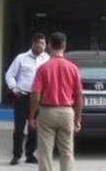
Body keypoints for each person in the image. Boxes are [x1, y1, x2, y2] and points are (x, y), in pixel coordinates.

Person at [29, 32, 83, 171]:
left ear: (49, 46)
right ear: (64, 46)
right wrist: (77, 118)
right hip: (66, 112)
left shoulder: (43, 68)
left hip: (47, 112)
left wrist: (32, 116)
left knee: (45, 152)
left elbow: (35, 94)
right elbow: (79, 96)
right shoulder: (73, 69)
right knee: (67, 152)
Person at [5, 32, 49, 165]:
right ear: (34, 43)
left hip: (38, 98)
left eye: (44, 43)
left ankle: (30, 154)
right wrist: (14, 89)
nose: (43, 46)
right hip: (22, 97)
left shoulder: (47, 58)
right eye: (40, 43)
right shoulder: (21, 58)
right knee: (19, 128)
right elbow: (9, 75)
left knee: (34, 127)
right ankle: (16, 155)